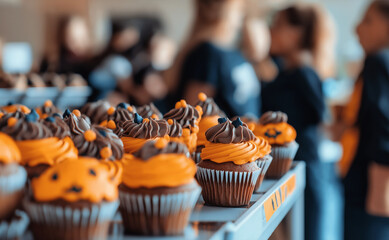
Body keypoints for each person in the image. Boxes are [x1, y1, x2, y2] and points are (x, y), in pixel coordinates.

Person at [260, 4, 341, 240]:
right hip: (284, 172)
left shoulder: (304, 73)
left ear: (297, 33)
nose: (271, 30)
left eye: (278, 24)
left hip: (304, 171)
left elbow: (321, 118)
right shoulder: (285, 72)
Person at [165, 0, 260, 117]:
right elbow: (195, 114)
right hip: (224, 134)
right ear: (225, 10)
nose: (242, 14)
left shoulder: (232, 52)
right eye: (239, 9)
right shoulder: (207, 53)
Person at [343, 1, 389, 239]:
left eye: (368, 21)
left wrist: (380, 189)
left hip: (369, 185)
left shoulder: (378, 61)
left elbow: (383, 126)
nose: (357, 29)